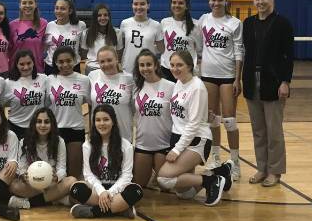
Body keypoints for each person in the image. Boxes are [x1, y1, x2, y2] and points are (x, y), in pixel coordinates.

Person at [157, 50, 233, 206]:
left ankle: (212, 180)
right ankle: (221, 172)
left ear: (190, 66)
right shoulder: (179, 83)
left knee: (164, 179)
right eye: (172, 65)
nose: (175, 69)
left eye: (180, 65)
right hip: (179, 137)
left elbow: (193, 124)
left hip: (197, 139)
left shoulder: (197, 87)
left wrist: (176, 150)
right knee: (185, 194)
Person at [242, 0, 294, 187]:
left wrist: (285, 81)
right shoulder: (248, 23)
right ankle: (262, 168)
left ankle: (275, 171)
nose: (260, 2)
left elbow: (288, 56)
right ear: (253, 1)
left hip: (273, 82)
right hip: (251, 81)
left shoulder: (283, 24)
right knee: (258, 130)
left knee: (274, 131)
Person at [198, 0, 243, 180]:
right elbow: (199, 47)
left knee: (230, 121)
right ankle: (216, 157)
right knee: (212, 119)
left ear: (226, 1)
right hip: (208, 75)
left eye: (220, 0)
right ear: (209, 1)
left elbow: (239, 51)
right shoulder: (203, 20)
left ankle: (235, 161)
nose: (216, 3)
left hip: (227, 76)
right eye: (213, 0)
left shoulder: (234, 23)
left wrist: (237, 78)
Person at [69, 105, 143, 218]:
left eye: (106, 119)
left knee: (136, 191)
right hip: (96, 190)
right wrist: (102, 191)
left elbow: (127, 176)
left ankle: (92, 212)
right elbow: (88, 175)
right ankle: (120, 209)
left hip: (117, 190)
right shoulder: (88, 145)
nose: (102, 123)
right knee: (76, 188)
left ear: (113, 121)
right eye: (98, 120)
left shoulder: (126, 145)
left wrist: (110, 192)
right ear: (94, 123)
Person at [8, 108, 77, 209]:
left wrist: (57, 177)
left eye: (47, 122)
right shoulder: (24, 141)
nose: (43, 125)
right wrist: (25, 177)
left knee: (72, 181)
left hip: (51, 184)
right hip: (32, 183)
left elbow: (62, 168)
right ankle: (54, 199)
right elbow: (21, 167)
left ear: (52, 124)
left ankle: (29, 203)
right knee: (13, 185)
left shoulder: (59, 141)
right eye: (39, 122)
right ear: (34, 124)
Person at [132, 49, 174, 187]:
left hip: (164, 145)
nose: (145, 68)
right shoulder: (136, 87)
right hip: (142, 144)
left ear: (156, 65)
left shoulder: (170, 87)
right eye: (142, 65)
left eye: (148, 64)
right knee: (139, 185)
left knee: (166, 186)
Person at [47, 46, 90, 178]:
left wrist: (91, 128)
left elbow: (90, 105)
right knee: (53, 173)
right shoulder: (49, 80)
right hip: (54, 130)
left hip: (76, 129)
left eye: (68, 60)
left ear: (75, 60)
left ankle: (72, 197)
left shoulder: (84, 80)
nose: (65, 64)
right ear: (55, 63)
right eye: (60, 62)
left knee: (74, 174)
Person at [88, 46, 134, 141]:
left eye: (109, 60)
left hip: (123, 134)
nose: (106, 64)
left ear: (117, 59)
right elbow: (90, 106)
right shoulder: (92, 76)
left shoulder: (129, 79)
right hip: (98, 133)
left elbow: (134, 109)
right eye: (102, 61)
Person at [2, 50, 48, 140]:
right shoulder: (8, 83)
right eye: (21, 64)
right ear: (16, 65)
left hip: (38, 127)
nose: (26, 67)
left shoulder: (44, 79)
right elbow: (1, 106)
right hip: (15, 127)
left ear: (33, 63)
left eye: (28, 63)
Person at [160, 0, 202, 82]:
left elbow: (199, 50)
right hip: (167, 70)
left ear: (186, 6)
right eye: (174, 2)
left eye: (180, 3)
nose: (177, 5)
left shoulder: (196, 25)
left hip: (186, 71)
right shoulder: (164, 22)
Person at [120, 0, 164, 73]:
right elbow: (121, 47)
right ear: (132, 5)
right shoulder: (125, 23)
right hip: (128, 67)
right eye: (135, 4)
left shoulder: (156, 25)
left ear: (148, 6)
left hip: (148, 68)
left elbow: (162, 49)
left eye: (142, 4)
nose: (139, 7)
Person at [44, 0, 86, 74]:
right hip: (52, 67)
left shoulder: (80, 25)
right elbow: (46, 47)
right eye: (57, 8)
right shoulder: (49, 25)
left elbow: (83, 47)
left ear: (70, 11)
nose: (58, 11)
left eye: (62, 9)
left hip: (73, 66)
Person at [9, 0, 47, 73]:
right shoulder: (12, 25)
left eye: (30, 3)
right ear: (19, 5)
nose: (27, 5)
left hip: (37, 70)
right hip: (16, 70)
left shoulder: (43, 24)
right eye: (24, 3)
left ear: (36, 4)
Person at [80, 3, 123, 75]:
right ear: (95, 18)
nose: (103, 18)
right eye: (99, 15)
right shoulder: (86, 33)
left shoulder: (117, 32)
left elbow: (119, 54)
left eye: (105, 15)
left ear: (109, 17)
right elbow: (84, 53)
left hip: (110, 67)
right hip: (92, 68)